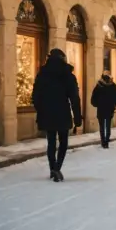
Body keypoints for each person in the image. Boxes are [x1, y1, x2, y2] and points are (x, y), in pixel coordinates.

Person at [32, 49, 82, 181]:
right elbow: (75, 98)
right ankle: (57, 168)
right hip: (63, 112)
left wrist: (41, 110)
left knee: (51, 142)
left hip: (47, 113)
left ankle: (52, 168)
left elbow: (35, 96)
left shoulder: (42, 75)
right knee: (63, 142)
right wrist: (77, 117)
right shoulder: (68, 75)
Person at [90, 70, 116, 148]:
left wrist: (97, 104)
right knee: (108, 126)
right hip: (109, 108)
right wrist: (114, 103)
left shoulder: (99, 85)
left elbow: (93, 98)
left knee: (102, 127)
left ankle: (103, 141)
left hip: (101, 109)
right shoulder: (112, 85)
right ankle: (106, 141)